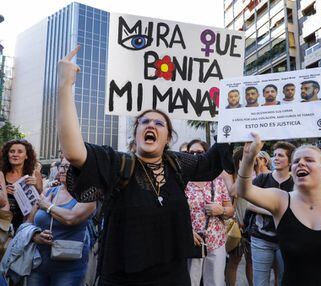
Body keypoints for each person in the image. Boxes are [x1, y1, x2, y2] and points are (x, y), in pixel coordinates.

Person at [57, 46, 234, 285]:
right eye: (145, 122)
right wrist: (65, 85)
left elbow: (214, 158)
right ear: (136, 132)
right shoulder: (118, 163)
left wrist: (234, 108)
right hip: (123, 279)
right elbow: (74, 152)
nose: (151, 125)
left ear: (168, 137)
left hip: (174, 278)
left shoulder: (178, 164)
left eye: (159, 123)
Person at [237, 133, 321, 285]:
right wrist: (248, 157)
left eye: (309, 160)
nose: (300, 163)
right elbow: (244, 191)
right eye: (296, 161)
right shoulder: (281, 201)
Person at [26, 158, 96, 286]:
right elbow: (28, 223)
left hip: (69, 267)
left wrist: (48, 206)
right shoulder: (49, 191)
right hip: (38, 262)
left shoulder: (88, 194)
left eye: (69, 167)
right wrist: (35, 236)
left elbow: (71, 218)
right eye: (62, 166)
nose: (63, 170)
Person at [185, 139, 234, 286]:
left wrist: (221, 210)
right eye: (191, 152)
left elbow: (230, 210)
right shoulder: (182, 181)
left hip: (216, 240)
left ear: (207, 154)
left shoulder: (217, 181)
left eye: (199, 152)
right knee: (190, 281)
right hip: (192, 241)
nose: (195, 155)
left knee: (215, 282)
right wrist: (186, 230)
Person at [247, 142, 295, 286]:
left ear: (290, 161)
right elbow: (249, 204)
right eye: (274, 155)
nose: (276, 158)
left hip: (287, 239)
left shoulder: (296, 182)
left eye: (281, 155)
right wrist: (273, 209)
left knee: (284, 280)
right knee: (260, 282)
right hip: (261, 238)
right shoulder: (262, 179)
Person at [0, 139, 43, 231]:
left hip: (27, 221)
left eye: (20, 152)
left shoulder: (35, 174)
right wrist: (4, 191)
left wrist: (35, 185)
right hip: (5, 220)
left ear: (26, 156)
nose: (15, 154)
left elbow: (41, 198)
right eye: (12, 151)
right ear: (7, 154)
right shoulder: (1, 174)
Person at [226, 147, 253, 286]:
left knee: (251, 261)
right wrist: (243, 172)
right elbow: (233, 193)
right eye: (246, 158)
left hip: (253, 225)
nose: (250, 161)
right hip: (238, 225)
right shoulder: (232, 177)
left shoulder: (256, 175)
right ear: (238, 161)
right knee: (234, 260)